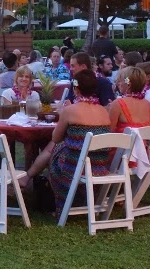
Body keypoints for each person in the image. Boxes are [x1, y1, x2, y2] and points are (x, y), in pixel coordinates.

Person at [24, 69, 110, 217]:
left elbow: (56, 138)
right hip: (100, 165)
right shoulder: (104, 111)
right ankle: (79, 200)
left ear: (76, 89)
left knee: (55, 152)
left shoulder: (69, 110)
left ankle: (64, 204)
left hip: (74, 166)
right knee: (59, 149)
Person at [109, 66, 150, 133]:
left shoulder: (118, 103)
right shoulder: (148, 104)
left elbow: (109, 131)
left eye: (120, 81)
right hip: (142, 143)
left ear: (128, 85)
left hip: (123, 143)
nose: (118, 84)